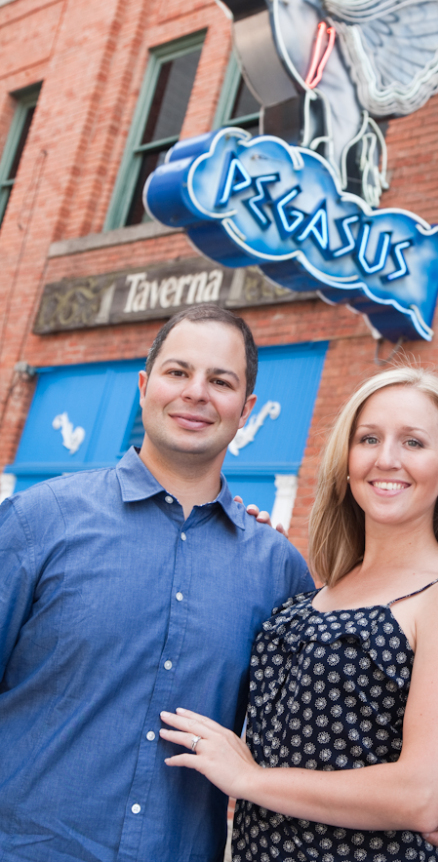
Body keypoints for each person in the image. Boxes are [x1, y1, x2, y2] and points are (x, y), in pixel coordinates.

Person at [0, 304, 315, 862]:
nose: (196, 393)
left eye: (220, 381)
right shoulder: (38, 520)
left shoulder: (278, 570)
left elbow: (298, 744)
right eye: (178, 372)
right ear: (145, 386)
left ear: (245, 410)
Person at [159, 366, 438, 862]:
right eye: (369, 438)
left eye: (414, 442)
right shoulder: (318, 593)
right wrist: (250, 553)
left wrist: (250, 779)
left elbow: (424, 797)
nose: (387, 458)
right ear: (347, 460)